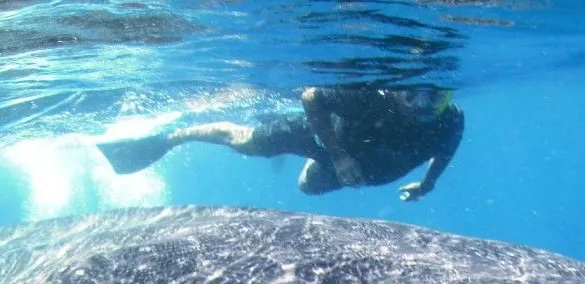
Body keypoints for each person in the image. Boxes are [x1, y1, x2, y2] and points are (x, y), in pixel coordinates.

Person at [97, 86, 464, 202]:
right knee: (242, 140)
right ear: (394, 90)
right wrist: (337, 155)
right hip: (326, 137)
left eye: (433, 98)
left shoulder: (451, 121)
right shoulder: (367, 98)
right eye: (410, 96)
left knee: (307, 187)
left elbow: (445, 153)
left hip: (366, 166)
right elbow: (311, 96)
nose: (420, 106)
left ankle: (311, 161)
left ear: (447, 97)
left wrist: (427, 185)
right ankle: (173, 137)